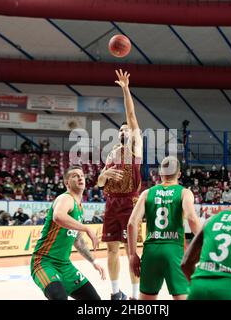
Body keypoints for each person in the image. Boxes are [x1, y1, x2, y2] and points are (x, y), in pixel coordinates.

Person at [96, 69, 143, 300]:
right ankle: (116, 293)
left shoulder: (135, 147)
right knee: (111, 249)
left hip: (130, 202)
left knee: (130, 250)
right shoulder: (113, 153)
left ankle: (135, 296)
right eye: (121, 129)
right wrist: (104, 174)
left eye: (126, 128)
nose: (124, 130)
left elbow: (131, 116)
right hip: (111, 203)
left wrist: (125, 90)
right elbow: (99, 183)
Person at [127, 156, 201, 300]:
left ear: (161, 173)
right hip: (174, 251)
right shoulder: (184, 193)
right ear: (179, 174)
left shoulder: (147, 193)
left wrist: (132, 254)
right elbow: (192, 219)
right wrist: (208, 239)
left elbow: (132, 223)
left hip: (151, 252)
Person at [30, 166, 106, 300]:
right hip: (44, 262)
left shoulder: (79, 208)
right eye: (75, 175)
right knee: (60, 297)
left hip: (65, 266)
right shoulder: (65, 198)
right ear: (67, 183)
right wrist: (86, 228)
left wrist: (93, 261)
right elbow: (58, 216)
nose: (80, 177)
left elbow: (78, 241)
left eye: (81, 175)